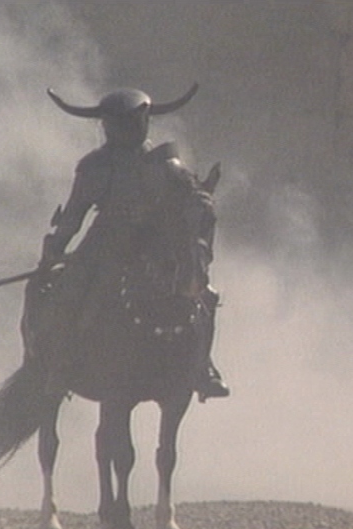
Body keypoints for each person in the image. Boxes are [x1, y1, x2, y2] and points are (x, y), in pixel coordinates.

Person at [33, 84, 229, 401]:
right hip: (103, 245)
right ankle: (61, 365)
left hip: (154, 244)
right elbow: (74, 214)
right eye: (122, 123)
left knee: (204, 295)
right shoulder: (94, 167)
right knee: (70, 292)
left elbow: (188, 201)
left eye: (135, 122)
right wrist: (56, 246)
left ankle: (202, 367)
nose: (130, 129)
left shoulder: (166, 164)